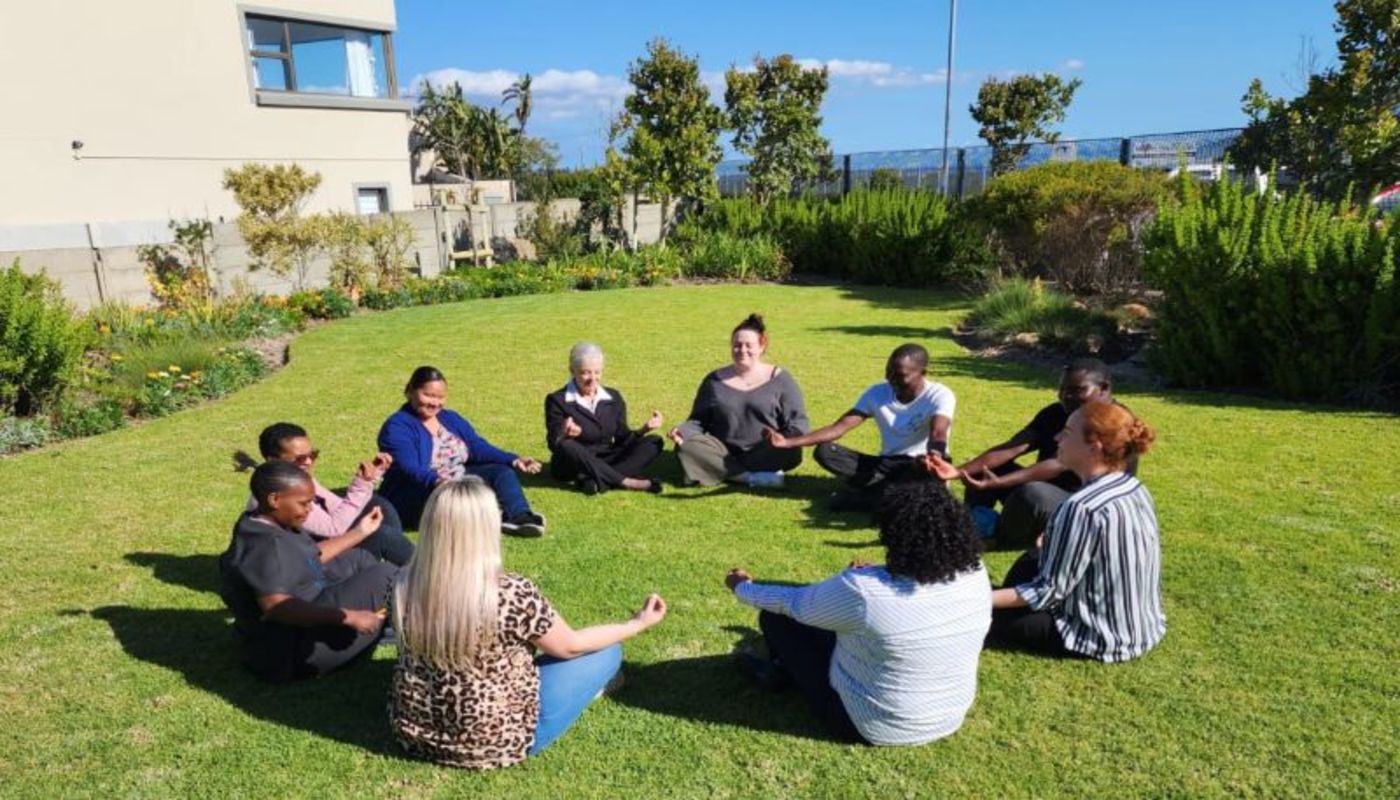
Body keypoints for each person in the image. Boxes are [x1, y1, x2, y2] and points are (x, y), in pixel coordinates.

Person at [388, 478, 668, 769]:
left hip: (414, 734)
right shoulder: (510, 593)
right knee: (608, 652)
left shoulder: (402, 584)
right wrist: (637, 624)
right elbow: (570, 646)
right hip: (495, 742)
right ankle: (587, 689)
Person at [724, 479, 991, 745]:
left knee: (777, 618)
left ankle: (778, 672)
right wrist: (870, 576)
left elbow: (792, 602)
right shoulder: (976, 573)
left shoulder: (864, 591)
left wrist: (742, 587)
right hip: (949, 717)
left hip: (869, 725)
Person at [985, 402, 1164, 662]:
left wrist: (975, 599)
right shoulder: (1133, 487)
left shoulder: (1081, 507)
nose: (1057, 438)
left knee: (976, 613)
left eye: (1067, 432)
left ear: (1094, 446)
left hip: (1097, 636)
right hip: (1140, 628)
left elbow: (1047, 592)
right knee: (1033, 558)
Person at [218, 461, 396, 683]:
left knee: (359, 558)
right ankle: (396, 629)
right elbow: (278, 608)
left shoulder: (263, 520)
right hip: (292, 652)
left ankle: (385, 625)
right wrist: (350, 617)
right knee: (386, 574)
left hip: (308, 607)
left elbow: (310, 556)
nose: (310, 509)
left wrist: (360, 532)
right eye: (304, 503)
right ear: (275, 499)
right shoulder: (265, 547)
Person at [765, 343, 955, 512]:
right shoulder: (877, 393)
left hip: (921, 463)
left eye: (900, 375)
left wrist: (935, 456)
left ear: (923, 373)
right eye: (888, 372)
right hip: (886, 464)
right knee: (825, 451)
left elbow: (938, 431)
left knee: (920, 472)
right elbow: (840, 427)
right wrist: (788, 442)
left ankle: (869, 495)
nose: (891, 379)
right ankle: (885, 494)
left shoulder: (939, 395)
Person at [954, 358, 1120, 547]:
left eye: (1077, 390)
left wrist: (999, 482)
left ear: (1104, 388)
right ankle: (976, 526)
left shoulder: (1113, 422)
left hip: (1084, 506)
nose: (1066, 396)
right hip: (1043, 496)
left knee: (1033, 493)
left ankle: (998, 539)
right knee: (981, 469)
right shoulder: (1056, 412)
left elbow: (1057, 464)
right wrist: (957, 471)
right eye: (1063, 389)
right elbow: (1014, 446)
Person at [378, 366, 547, 535]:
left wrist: (514, 460)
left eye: (440, 397)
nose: (435, 403)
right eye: (428, 395)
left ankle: (518, 517)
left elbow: (477, 447)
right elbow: (409, 467)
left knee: (501, 473)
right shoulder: (397, 426)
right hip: (419, 489)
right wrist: (439, 482)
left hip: (456, 479)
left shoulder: (450, 418)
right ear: (410, 391)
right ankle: (482, 516)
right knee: (449, 498)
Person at [235, 422, 414, 566]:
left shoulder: (294, 478)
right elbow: (334, 529)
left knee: (379, 506)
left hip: (323, 547)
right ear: (273, 460)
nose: (308, 462)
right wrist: (361, 487)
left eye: (312, 455)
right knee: (382, 535)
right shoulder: (281, 494)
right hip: (312, 565)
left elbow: (337, 508)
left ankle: (398, 565)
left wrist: (370, 477)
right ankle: (421, 574)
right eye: (300, 458)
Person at [669, 314, 809, 488]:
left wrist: (784, 439)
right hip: (723, 452)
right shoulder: (714, 381)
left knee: (791, 449)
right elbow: (697, 421)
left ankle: (720, 471)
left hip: (767, 450)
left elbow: (799, 423)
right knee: (686, 446)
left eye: (748, 345)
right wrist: (683, 431)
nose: (742, 350)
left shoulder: (782, 380)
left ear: (761, 346)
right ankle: (751, 478)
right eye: (737, 345)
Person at [544, 342, 664, 495]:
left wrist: (644, 429)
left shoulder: (613, 397)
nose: (592, 378)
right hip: (573, 464)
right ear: (572, 370)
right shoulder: (557, 400)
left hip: (606, 457)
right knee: (567, 445)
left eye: (597, 372)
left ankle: (593, 480)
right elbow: (554, 444)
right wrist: (563, 432)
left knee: (654, 442)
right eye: (585, 373)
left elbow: (622, 439)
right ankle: (627, 482)